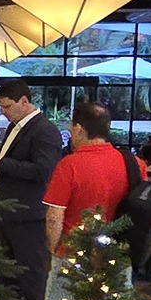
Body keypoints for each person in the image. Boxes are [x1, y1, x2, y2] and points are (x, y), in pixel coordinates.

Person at [0, 85, 64, 300]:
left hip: (28, 215)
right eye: (1, 107)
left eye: (7, 106)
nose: (3, 112)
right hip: (7, 212)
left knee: (31, 276)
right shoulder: (14, 128)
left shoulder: (45, 131)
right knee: (6, 275)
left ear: (25, 101)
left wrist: (0, 163)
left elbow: (44, 171)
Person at [43, 101, 129, 257]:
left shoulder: (69, 165)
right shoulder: (133, 164)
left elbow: (54, 216)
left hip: (73, 252)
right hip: (117, 252)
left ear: (78, 129)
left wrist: (54, 249)